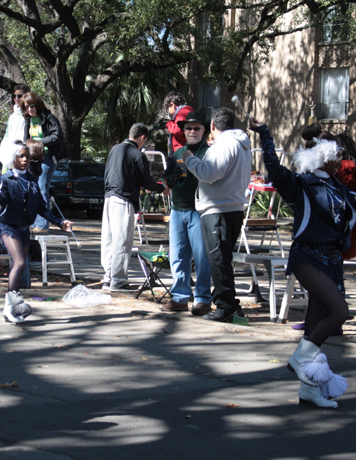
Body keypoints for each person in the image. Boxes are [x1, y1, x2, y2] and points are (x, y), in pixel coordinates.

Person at [249, 118, 356, 408]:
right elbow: (273, 167)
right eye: (337, 156)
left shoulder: (341, 189)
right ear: (322, 158)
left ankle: (309, 389)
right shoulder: (300, 185)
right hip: (307, 256)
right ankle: (300, 358)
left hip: (332, 260)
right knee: (339, 311)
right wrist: (265, 134)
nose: (342, 161)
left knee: (315, 326)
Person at [0, 144, 73, 322]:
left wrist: (60, 223)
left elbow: (41, 208)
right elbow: (1, 200)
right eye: (21, 156)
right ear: (13, 157)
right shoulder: (5, 179)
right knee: (20, 261)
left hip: (24, 227)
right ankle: (9, 306)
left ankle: (15, 304)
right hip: (8, 226)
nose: (25, 159)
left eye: (27, 156)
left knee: (21, 264)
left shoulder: (31, 180)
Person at [182, 107, 251, 322]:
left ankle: (225, 306)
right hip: (230, 207)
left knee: (218, 259)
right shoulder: (240, 144)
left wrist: (189, 159)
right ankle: (230, 304)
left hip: (219, 209)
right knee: (222, 258)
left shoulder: (225, 144)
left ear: (212, 125)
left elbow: (209, 173)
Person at [101, 123, 167, 292]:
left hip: (109, 197)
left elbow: (106, 173)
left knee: (108, 239)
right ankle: (118, 280)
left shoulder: (114, 149)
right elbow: (146, 181)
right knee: (122, 241)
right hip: (124, 199)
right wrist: (162, 189)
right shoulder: (137, 154)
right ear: (142, 137)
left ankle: (108, 277)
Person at [160, 111, 212, 315]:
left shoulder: (209, 152)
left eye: (197, 128)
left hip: (199, 211)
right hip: (177, 211)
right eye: (188, 128)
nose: (192, 131)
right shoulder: (177, 153)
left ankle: (203, 299)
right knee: (178, 257)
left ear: (203, 130)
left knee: (201, 257)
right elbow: (165, 181)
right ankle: (180, 298)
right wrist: (172, 178)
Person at [20, 92, 68, 230]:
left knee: (42, 188)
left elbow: (58, 135)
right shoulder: (28, 119)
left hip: (47, 157)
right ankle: (32, 222)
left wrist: (40, 142)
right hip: (32, 158)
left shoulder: (49, 117)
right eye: (26, 107)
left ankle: (42, 225)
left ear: (38, 104)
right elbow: (26, 138)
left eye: (32, 106)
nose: (30, 109)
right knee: (32, 189)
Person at [0, 84, 30, 170]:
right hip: (8, 152)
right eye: (14, 96)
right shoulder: (12, 114)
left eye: (19, 96)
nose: (16, 98)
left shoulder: (28, 114)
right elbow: (8, 134)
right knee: (6, 176)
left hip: (21, 152)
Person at [163, 90, 194, 156]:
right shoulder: (187, 110)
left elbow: (177, 129)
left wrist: (168, 124)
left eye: (168, 109)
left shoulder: (183, 112)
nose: (169, 112)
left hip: (182, 151)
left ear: (172, 105)